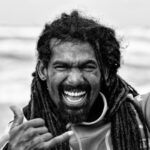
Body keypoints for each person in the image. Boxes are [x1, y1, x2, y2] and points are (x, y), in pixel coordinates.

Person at [1, 10, 150, 150]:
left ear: (104, 71)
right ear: (42, 70)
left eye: (87, 67)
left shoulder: (141, 113)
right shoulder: (23, 134)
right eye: (62, 67)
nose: (75, 80)